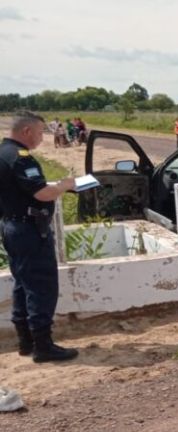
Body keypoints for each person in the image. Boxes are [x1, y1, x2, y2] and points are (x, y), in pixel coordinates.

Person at [0, 112, 80, 362]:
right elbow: (42, 194)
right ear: (26, 132)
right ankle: (43, 346)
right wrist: (65, 185)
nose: (41, 139)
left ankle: (26, 342)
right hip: (30, 230)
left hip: (11, 226)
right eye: (39, 133)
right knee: (42, 287)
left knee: (23, 284)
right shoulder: (21, 159)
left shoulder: (3, 154)